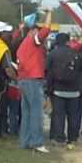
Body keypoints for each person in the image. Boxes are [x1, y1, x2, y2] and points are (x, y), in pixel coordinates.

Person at [16, 10, 52, 153]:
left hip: (23, 80)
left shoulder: (22, 45)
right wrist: (49, 14)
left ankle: (25, 141)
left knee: (26, 113)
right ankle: (37, 142)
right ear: (33, 30)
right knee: (36, 112)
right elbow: (46, 29)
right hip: (33, 80)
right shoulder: (32, 40)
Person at [46, 33, 82, 150]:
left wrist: (48, 89)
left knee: (59, 115)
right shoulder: (76, 54)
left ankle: (59, 138)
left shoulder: (52, 54)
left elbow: (47, 71)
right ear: (67, 41)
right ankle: (72, 139)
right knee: (73, 116)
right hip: (75, 91)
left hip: (58, 90)